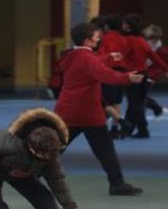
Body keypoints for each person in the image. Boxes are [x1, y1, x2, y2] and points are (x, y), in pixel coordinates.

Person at [54, 22, 144, 196]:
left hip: (66, 109)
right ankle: (117, 183)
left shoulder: (73, 55)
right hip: (87, 112)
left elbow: (92, 61)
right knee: (105, 149)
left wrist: (110, 58)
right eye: (96, 36)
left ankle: (25, 173)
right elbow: (104, 74)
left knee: (54, 147)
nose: (99, 39)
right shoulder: (87, 58)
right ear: (88, 40)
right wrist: (128, 78)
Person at [122, 14, 168, 138]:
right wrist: (165, 69)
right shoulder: (142, 41)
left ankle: (141, 129)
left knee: (135, 103)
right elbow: (155, 58)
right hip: (143, 73)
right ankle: (130, 128)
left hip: (133, 75)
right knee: (136, 103)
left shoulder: (127, 41)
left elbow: (122, 57)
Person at [143, 24, 168, 118]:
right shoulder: (144, 43)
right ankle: (157, 110)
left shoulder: (161, 50)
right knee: (140, 97)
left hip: (151, 76)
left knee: (141, 97)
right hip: (141, 73)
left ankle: (157, 109)